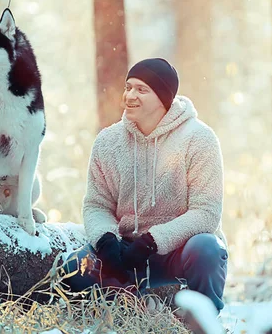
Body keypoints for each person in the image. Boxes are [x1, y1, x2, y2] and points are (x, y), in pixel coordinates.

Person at [61, 58, 228, 312]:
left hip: (177, 252)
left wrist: (153, 241)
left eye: (142, 89)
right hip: (125, 251)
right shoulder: (108, 142)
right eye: (128, 87)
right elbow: (97, 204)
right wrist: (107, 240)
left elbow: (206, 214)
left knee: (207, 249)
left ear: (163, 98)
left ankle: (204, 320)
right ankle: (134, 306)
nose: (130, 95)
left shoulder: (199, 139)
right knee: (74, 266)